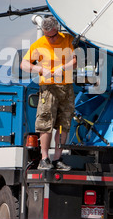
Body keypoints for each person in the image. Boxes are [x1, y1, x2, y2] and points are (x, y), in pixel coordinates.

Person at [20, 16, 76, 170]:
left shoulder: (67, 40)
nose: (51, 39)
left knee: (63, 124)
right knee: (45, 123)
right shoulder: (39, 44)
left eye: (53, 35)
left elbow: (76, 60)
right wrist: (38, 69)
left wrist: (63, 68)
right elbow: (23, 64)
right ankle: (45, 159)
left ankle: (58, 159)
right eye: (47, 36)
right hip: (48, 88)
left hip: (66, 87)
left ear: (57, 30)